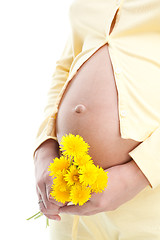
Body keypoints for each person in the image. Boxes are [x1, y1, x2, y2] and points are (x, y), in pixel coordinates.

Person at [33, 0, 160, 239]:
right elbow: (66, 66)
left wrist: (137, 174)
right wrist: (44, 146)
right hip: (69, 195)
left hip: (149, 199)